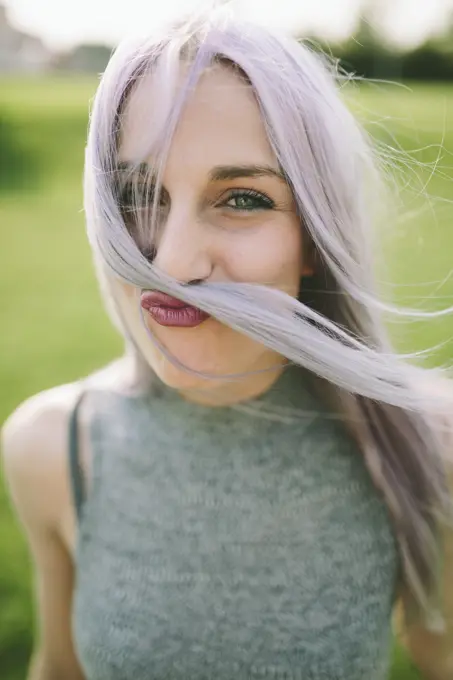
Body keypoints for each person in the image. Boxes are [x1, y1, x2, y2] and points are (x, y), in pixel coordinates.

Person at [2, 6, 453, 680]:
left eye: (242, 198)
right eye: (136, 193)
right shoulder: (50, 447)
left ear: (314, 243)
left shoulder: (423, 447)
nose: (174, 262)